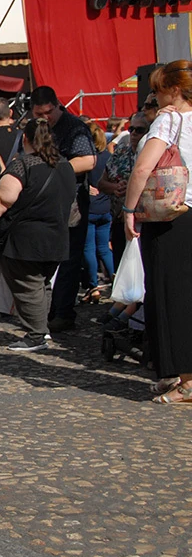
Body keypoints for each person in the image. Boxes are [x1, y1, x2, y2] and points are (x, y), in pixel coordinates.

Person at [0, 118, 77, 352]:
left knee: (26, 285)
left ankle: (36, 334)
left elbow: (3, 199)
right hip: (57, 235)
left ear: (25, 138)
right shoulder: (65, 165)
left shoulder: (23, 165)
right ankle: (42, 329)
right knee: (42, 284)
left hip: (26, 239)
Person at [123, 60, 192, 404]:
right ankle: (176, 373)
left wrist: (128, 209)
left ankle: (187, 378)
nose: (155, 96)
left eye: (158, 89)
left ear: (174, 91)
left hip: (168, 215)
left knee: (169, 294)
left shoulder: (169, 120)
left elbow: (143, 168)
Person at [29, 86, 97, 332]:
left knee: (68, 258)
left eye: (48, 112)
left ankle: (63, 312)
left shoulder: (74, 127)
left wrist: (52, 169)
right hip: (45, 202)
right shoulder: (37, 125)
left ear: (57, 105)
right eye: (39, 113)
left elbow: (88, 160)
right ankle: (48, 309)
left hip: (71, 202)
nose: (44, 117)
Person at [98, 112, 147, 278]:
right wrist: (115, 187)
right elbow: (101, 183)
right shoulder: (121, 153)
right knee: (121, 265)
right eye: (131, 128)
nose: (133, 133)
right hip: (119, 219)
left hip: (144, 220)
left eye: (139, 130)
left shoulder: (152, 156)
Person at [82, 122, 114, 302]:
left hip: (91, 208)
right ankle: (115, 279)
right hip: (105, 207)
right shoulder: (108, 156)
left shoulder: (88, 159)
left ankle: (93, 286)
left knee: (89, 249)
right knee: (104, 248)